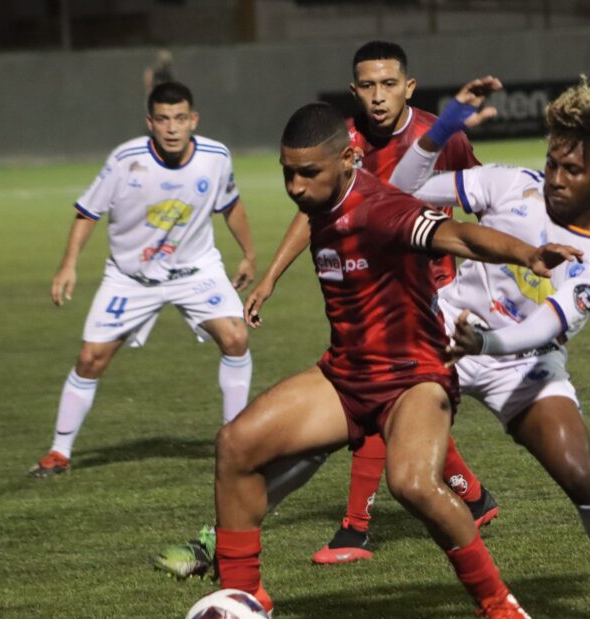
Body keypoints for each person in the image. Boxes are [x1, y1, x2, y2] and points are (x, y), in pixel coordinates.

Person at [213, 101, 582, 619]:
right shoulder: (322, 199)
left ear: (348, 159)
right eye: (287, 172)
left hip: (415, 379)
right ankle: (241, 602)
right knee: (236, 445)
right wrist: (269, 278)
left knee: (411, 483)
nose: (294, 186)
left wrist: (528, 254)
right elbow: (309, 214)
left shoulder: (381, 209)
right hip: (346, 375)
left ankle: (497, 601)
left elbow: (461, 236)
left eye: (307, 173)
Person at [153, 40, 496, 576]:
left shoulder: (440, 136)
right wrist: (271, 276)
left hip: (431, 304)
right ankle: (471, 497)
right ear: (354, 90)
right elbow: (313, 212)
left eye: (388, 84)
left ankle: (350, 530)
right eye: (368, 86)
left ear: (407, 87)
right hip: (364, 294)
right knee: (376, 411)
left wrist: (495, 283)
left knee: (372, 402)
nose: (378, 96)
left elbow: (482, 202)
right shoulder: (340, 141)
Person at [388, 75, 590, 619]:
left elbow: (546, 326)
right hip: (441, 334)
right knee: (343, 420)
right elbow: (400, 189)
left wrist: (487, 343)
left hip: (521, 363)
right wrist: (443, 128)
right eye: (553, 164)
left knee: (580, 473)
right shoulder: (511, 183)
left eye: (573, 170)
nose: (557, 179)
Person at [29, 81, 257, 477]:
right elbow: (88, 212)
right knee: (90, 359)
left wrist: (249, 254)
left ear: (194, 120)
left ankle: (234, 441)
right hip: (130, 278)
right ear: (150, 122)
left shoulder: (215, 157)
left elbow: (231, 205)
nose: (172, 128)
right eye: (163, 119)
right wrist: (68, 264)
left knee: (236, 337)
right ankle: (59, 452)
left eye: (180, 118)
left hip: (196, 271)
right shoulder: (125, 160)